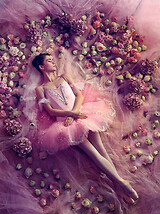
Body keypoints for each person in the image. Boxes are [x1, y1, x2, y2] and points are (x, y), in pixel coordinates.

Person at [32, 52, 139, 203]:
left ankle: (118, 185)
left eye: (52, 59)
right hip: (66, 124)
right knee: (93, 153)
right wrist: (70, 114)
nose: (53, 61)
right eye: (49, 60)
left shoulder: (64, 77)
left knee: (101, 148)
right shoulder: (41, 89)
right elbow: (50, 111)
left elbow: (79, 96)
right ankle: (123, 184)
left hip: (82, 113)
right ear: (42, 67)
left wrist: (75, 112)